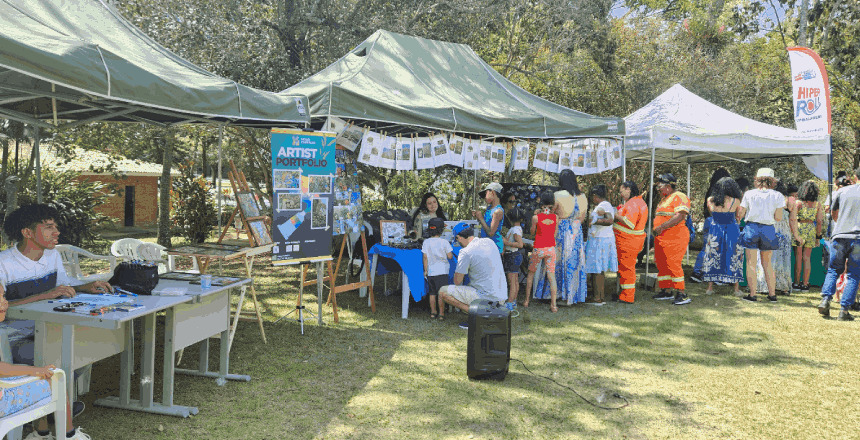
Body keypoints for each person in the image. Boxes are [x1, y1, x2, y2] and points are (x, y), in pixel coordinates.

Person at [0, 204, 105, 440]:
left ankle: (50, 415)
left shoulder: (52, 255)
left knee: (82, 349)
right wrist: (43, 296)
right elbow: (2, 307)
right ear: (27, 233)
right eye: (48, 227)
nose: (56, 232)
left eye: (55, 226)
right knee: (56, 358)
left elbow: (61, 289)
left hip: (48, 328)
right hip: (13, 338)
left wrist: (85, 287)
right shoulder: (4, 263)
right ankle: (53, 425)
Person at [439, 223, 507, 330]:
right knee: (472, 284)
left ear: (459, 237)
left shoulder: (465, 252)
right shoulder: (489, 242)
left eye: (457, 240)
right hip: (501, 296)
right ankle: (491, 311)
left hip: (486, 297)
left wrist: (459, 267)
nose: (458, 242)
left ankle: (480, 316)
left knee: (443, 292)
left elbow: (457, 281)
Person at [537, 169, 587, 304]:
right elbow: (582, 218)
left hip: (561, 230)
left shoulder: (557, 195)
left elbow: (550, 215)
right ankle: (573, 294)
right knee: (574, 263)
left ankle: (554, 294)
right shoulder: (583, 197)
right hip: (576, 231)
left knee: (557, 263)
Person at [817, 168, 860, 320]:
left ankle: (825, 299)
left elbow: (833, 213)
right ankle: (844, 310)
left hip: (840, 235)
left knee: (833, 269)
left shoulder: (842, 192)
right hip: (858, 238)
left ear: (855, 177)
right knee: (854, 274)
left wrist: (841, 225)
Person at [737, 168, 785, 302]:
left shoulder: (749, 194)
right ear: (773, 181)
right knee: (767, 263)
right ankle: (772, 294)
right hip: (768, 229)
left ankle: (752, 294)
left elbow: (741, 213)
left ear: (757, 179)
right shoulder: (778, 196)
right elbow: (778, 217)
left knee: (751, 263)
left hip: (751, 228)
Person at [651, 173, 692, 305]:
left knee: (673, 263)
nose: (659, 189)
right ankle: (666, 290)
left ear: (668, 186)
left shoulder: (679, 196)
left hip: (675, 237)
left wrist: (662, 226)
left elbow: (680, 215)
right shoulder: (664, 199)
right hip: (662, 238)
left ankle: (681, 293)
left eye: (661, 186)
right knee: (662, 263)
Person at [700, 177, 744, 295]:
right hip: (732, 230)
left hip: (715, 229)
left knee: (713, 256)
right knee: (734, 256)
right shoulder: (736, 201)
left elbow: (712, 214)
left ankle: (709, 288)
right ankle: (736, 289)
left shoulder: (710, 200)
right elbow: (738, 216)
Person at [691, 168, 731, 283]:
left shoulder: (711, 190)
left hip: (709, 220)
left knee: (706, 248)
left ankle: (698, 272)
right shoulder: (724, 191)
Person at [755, 180, 793, 295]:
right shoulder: (789, 200)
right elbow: (793, 219)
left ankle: (764, 285)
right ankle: (783, 287)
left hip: (768, 229)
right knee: (783, 260)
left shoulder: (765, 198)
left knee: (766, 259)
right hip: (784, 233)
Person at [523, 192, 559, 312]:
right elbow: (555, 234)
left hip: (538, 247)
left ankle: (527, 300)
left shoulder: (536, 217)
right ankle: (553, 305)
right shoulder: (556, 217)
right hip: (551, 249)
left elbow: (532, 232)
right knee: (551, 276)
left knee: (531, 273)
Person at [613, 180, 648, 303]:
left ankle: (627, 296)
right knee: (626, 268)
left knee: (627, 269)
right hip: (630, 241)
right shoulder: (637, 202)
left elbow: (630, 223)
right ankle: (623, 293)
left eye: (622, 191)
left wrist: (615, 215)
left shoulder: (633, 203)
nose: (621, 194)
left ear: (628, 189)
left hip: (628, 242)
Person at [584, 185, 617, 305]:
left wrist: (594, 221)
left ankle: (597, 298)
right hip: (601, 239)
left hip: (599, 240)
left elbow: (609, 220)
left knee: (597, 269)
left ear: (595, 196)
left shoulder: (603, 206)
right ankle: (599, 296)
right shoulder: (606, 205)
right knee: (599, 270)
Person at [790, 180, 823, 292]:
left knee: (798, 257)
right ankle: (805, 284)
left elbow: (793, 218)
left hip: (799, 228)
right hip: (810, 229)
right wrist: (818, 236)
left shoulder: (798, 203)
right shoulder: (817, 205)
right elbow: (819, 221)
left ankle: (796, 283)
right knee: (807, 258)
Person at [422, 218, 453, 321]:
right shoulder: (444, 242)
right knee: (441, 293)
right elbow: (450, 256)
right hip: (442, 272)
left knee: (432, 293)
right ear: (441, 230)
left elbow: (425, 257)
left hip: (431, 272)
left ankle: (432, 312)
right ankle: (441, 313)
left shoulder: (426, 242)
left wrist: (425, 270)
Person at [501, 208, 524, 309]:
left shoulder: (515, 230)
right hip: (514, 255)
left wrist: (506, 243)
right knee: (515, 281)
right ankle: (513, 300)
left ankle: (510, 303)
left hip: (512, 255)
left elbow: (520, 244)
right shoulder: (517, 228)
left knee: (511, 282)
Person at [472, 182, 505, 254]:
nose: (484, 198)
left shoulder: (498, 211)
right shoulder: (489, 208)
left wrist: (481, 218)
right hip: (487, 247)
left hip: (495, 249)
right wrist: (478, 217)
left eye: (485, 194)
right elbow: (485, 225)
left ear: (492, 192)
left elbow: (491, 233)